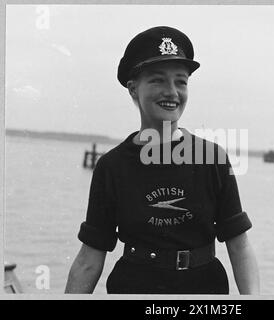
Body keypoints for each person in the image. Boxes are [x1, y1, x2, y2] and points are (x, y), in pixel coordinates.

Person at [65, 26, 260, 294]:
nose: (172, 92)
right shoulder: (112, 166)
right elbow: (89, 258)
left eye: (181, 81)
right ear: (134, 90)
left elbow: (239, 245)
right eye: (157, 80)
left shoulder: (212, 159)